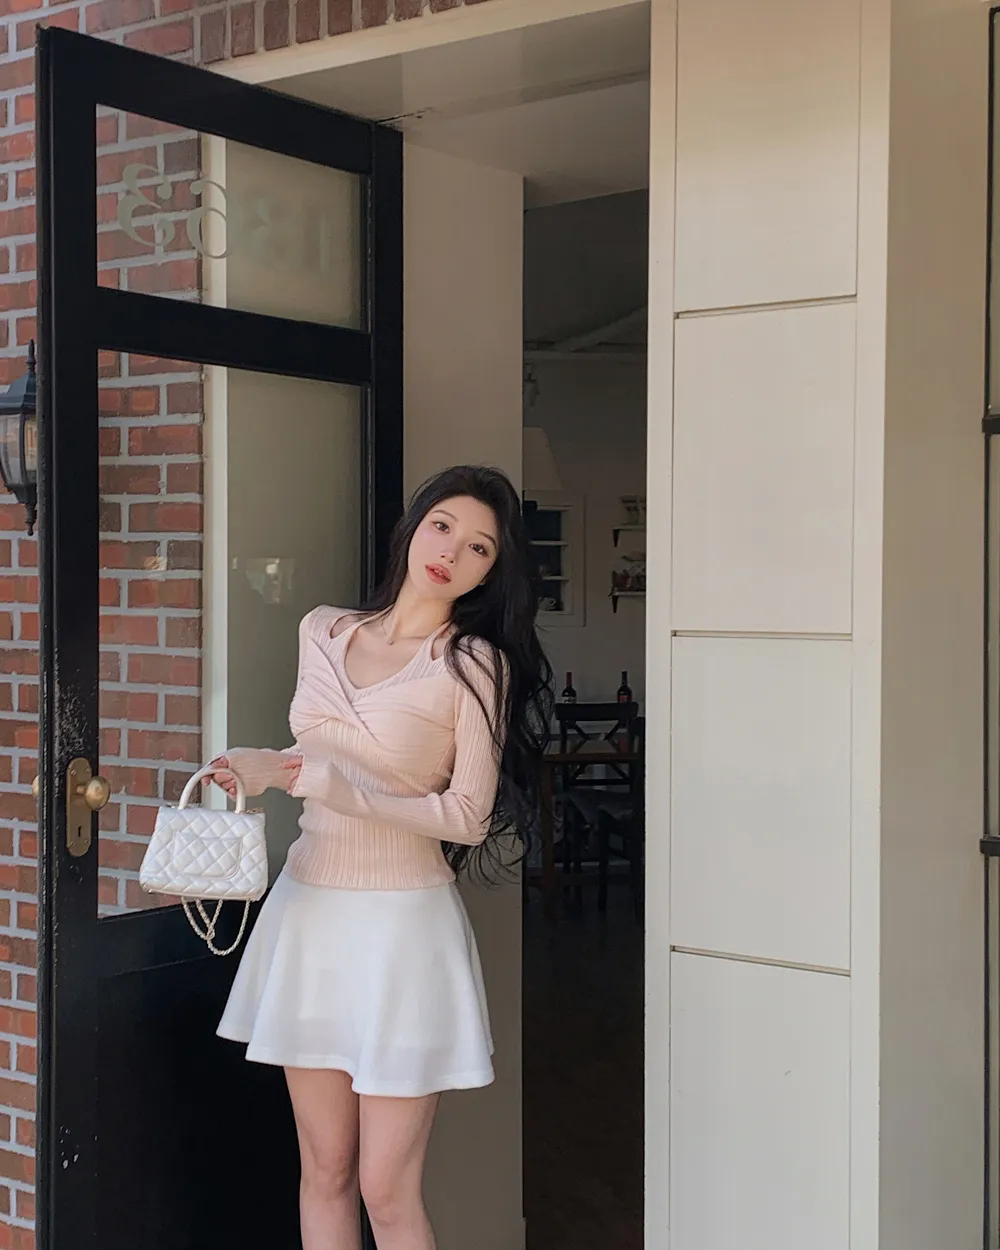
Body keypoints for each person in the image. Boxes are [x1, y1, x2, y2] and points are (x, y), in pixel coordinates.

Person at [205, 465, 553, 1250]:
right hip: (310, 912)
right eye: (442, 527)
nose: (451, 553)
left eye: (478, 547)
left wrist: (342, 790)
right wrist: (266, 767)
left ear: (490, 572)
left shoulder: (473, 664)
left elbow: (466, 817)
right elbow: (314, 754)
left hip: (402, 930)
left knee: (386, 1190)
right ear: (413, 527)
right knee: (324, 1171)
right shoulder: (323, 630)